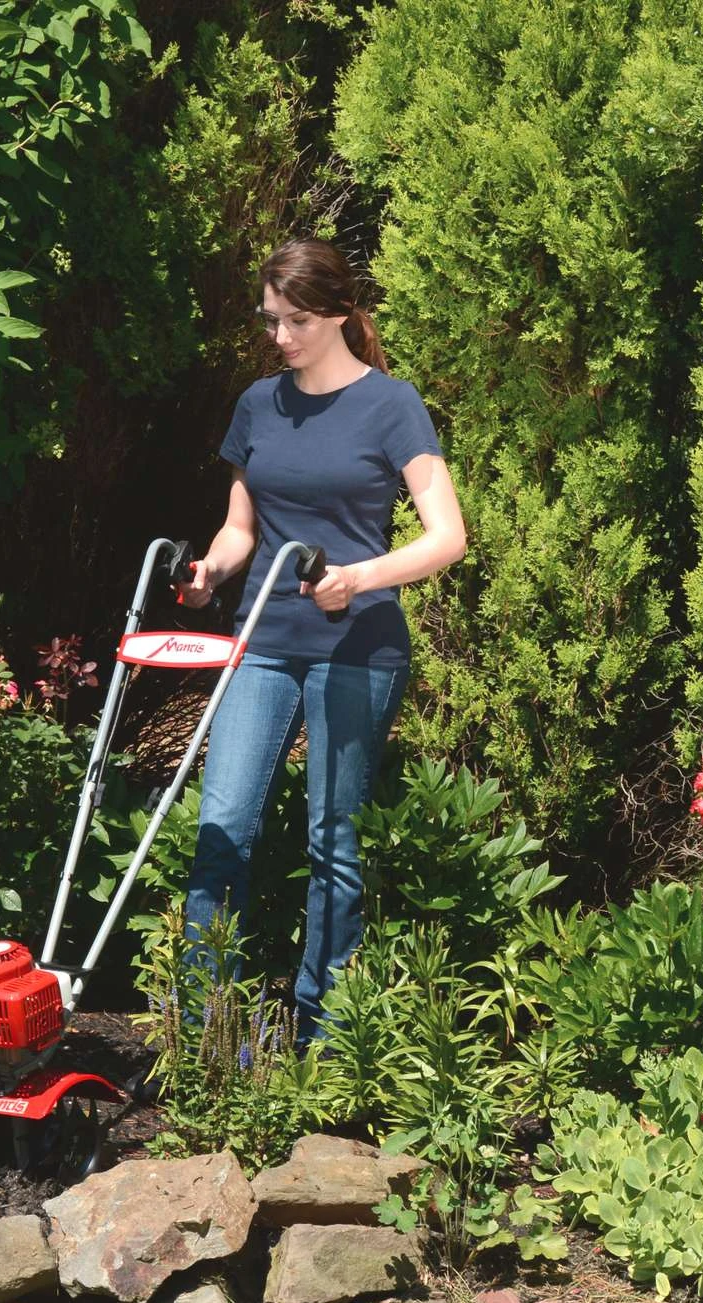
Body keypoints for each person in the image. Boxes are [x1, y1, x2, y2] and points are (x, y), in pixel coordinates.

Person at [180, 238, 465, 1047]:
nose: (281, 338)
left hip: (356, 650)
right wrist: (209, 572)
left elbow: (448, 537)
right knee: (222, 830)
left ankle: (324, 1037)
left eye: (296, 321)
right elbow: (240, 529)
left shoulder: (392, 404)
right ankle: (204, 1031)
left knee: (333, 843)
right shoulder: (258, 405)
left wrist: (359, 577)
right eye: (270, 321)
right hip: (263, 641)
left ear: (339, 313)